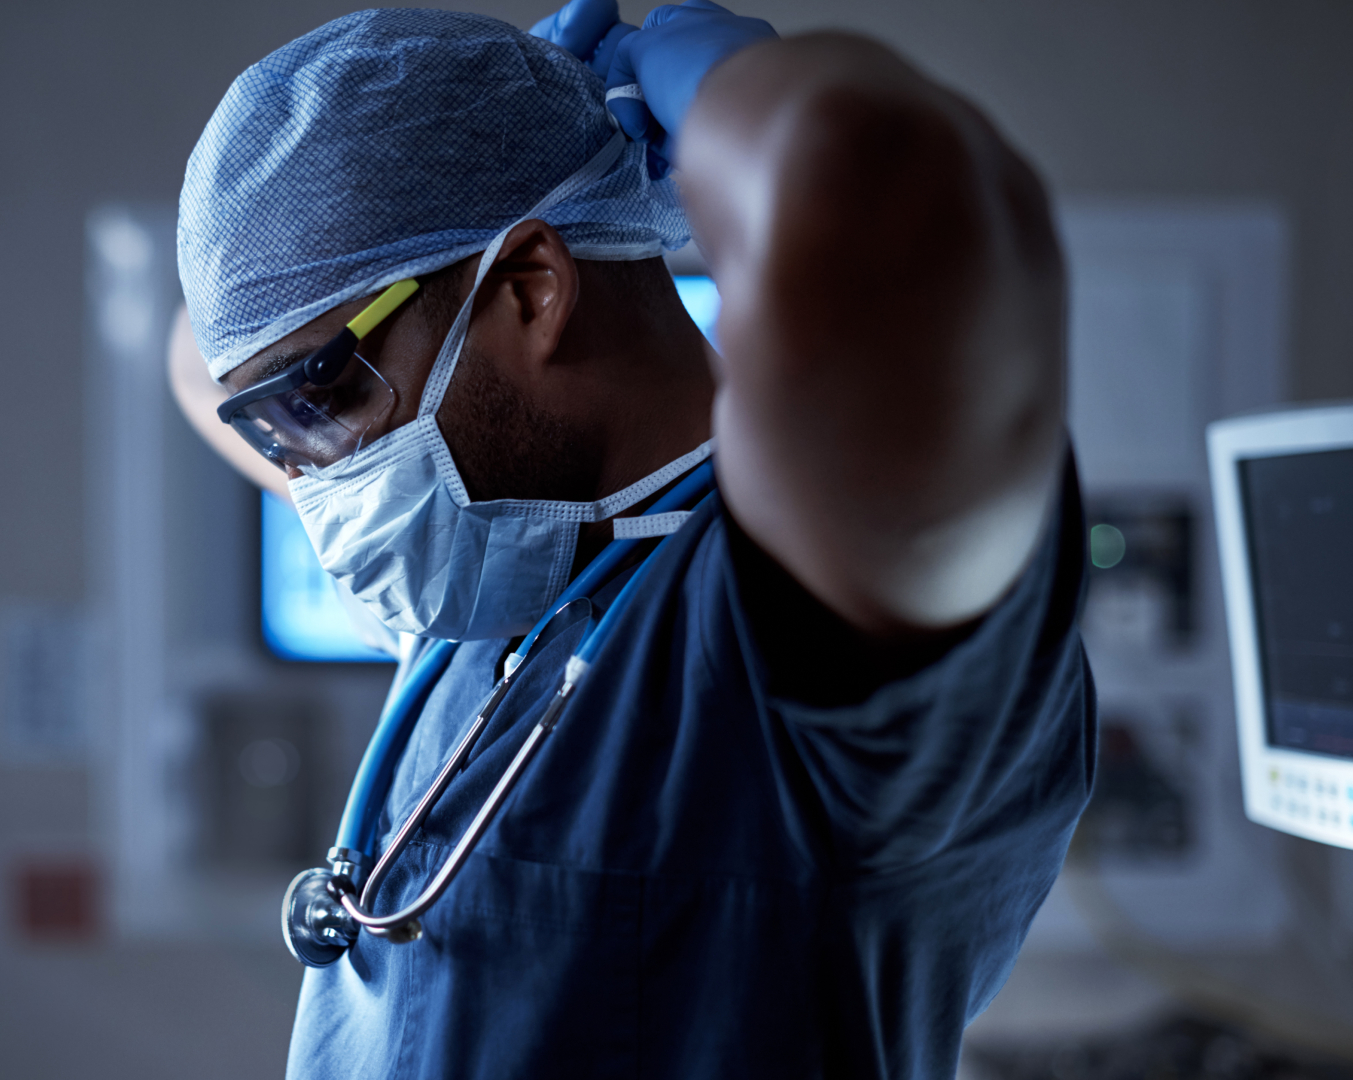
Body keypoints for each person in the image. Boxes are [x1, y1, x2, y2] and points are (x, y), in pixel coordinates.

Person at [169, 2, 1089, 1076]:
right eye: (276, 434)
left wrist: (722, 106)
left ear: (530, 291)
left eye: (322, 397)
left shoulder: (812, 622)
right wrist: (462, 156)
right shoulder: (505, 577)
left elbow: (885, 196)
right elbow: (205, 356)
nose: (314, 482)